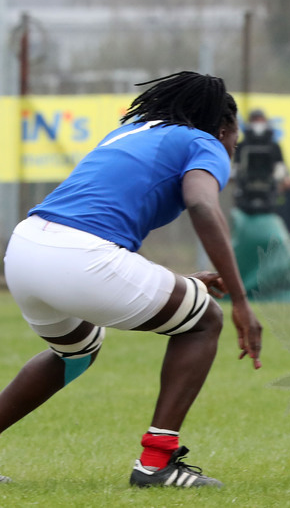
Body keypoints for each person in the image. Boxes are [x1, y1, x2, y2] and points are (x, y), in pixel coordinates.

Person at [2, 71, 262, 487]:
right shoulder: (204, 141)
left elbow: (102, 214)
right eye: (235, 137)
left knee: (77, 351)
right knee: (205, 320)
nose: (233, 146)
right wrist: (243, 303)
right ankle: (156, 464)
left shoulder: (134, 130)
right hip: (79, 256)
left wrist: (175, 281)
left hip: (26, 247)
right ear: (224, 126)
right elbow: (201, 205)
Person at [231, 108, 290, 302]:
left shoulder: (274, 148)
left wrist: (280, 181)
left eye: (260, 120)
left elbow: (283, 176)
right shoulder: (242, 148)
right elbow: (234, 174)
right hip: (244, 211)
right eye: (255, 120)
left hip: (269, 212)